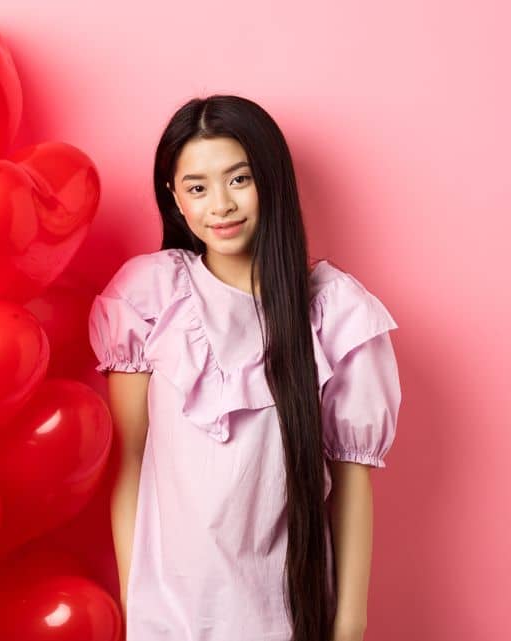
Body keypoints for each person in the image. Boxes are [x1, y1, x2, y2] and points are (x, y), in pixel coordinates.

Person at [88, 95, 401, 641]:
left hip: (287, 615)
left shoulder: (334, 311)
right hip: (169, 617)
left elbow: (351, 481)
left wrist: (348, 623)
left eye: (239, 180)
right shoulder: (148, 297)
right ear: (175, 198)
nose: (220, 206)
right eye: (197, 187)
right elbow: (128, 464)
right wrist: (132, 598)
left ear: (272, 181)